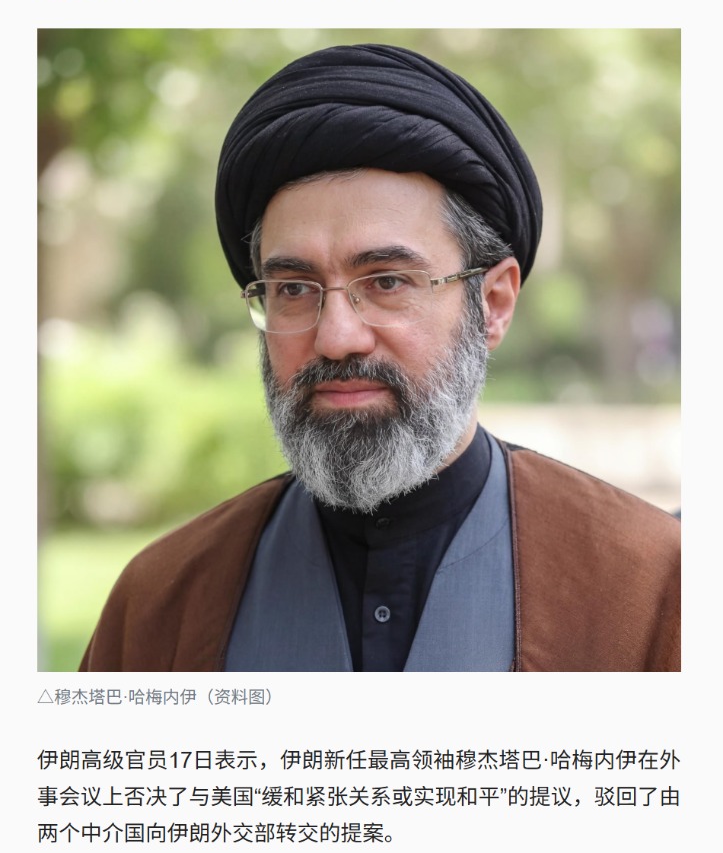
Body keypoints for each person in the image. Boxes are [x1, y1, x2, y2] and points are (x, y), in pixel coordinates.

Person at [80, 44, 680, 673]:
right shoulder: (161, 603)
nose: (337, 338)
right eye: (293, 289)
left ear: (494, 303)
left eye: (388, 282)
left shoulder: (649, 586)